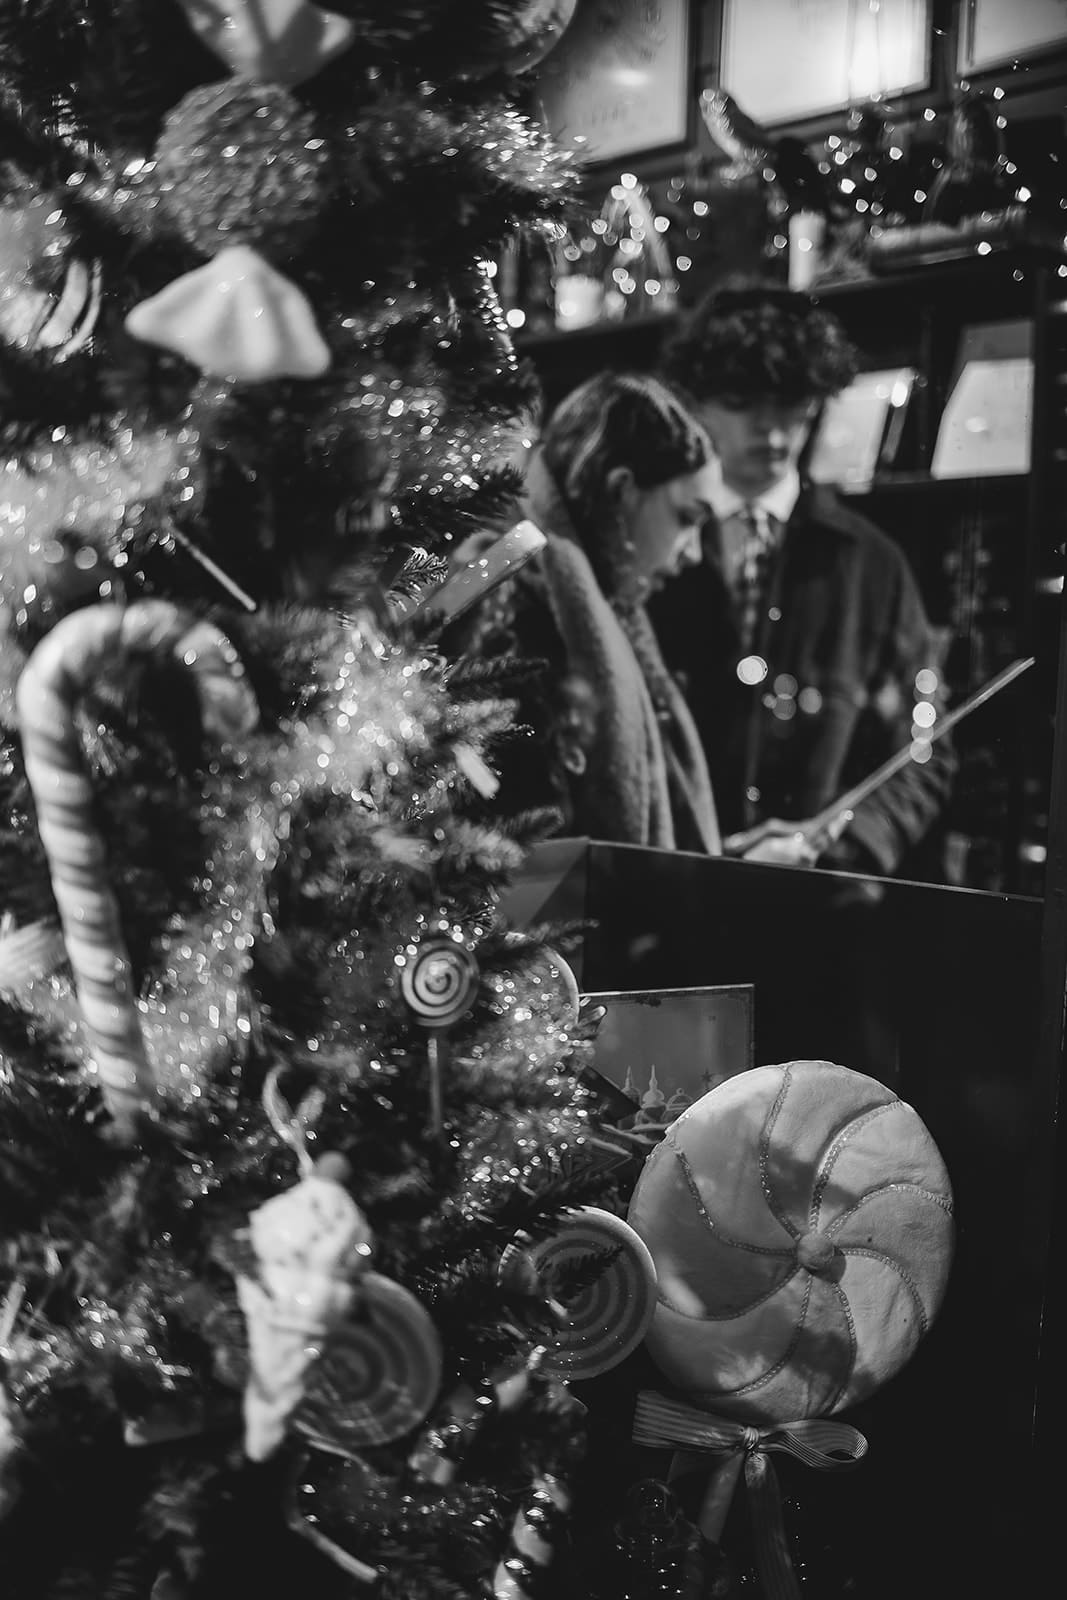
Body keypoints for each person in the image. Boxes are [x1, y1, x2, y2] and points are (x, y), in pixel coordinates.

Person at [652, 280, 954, 876]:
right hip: (666, 886)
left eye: (792, 404)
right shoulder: (654, 543)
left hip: (821, 903)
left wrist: (836, 842)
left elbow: (925, 748)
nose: (771, 431)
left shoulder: (872, 563)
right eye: (743, 402)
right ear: (697, 402)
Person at [458, 371, 723, 853]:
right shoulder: (506, 602)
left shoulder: (589, 606)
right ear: (621, 491)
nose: (694, 553)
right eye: (687, 519)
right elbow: (526, 850)